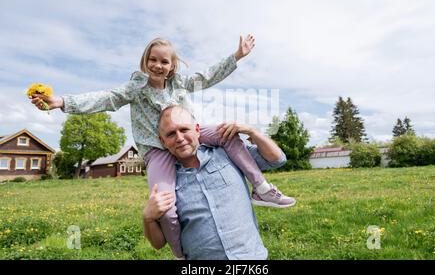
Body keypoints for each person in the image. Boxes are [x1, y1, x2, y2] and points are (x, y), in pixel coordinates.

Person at [29, 35, 295, 258]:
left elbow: (208, 76)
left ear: (172, 65)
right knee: (165, 206)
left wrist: (236, 56)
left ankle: (262, 189)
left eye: (163, 61)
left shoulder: (179, 83)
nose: (157, 65)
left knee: (229, 132)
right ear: (145, 62)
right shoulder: (136, 87)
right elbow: (106, 99)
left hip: (192, 135)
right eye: (152, 59)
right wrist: (62, 102)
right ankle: (181, 252)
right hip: (157, 150)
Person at [143, 105, 289, 259]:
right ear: (162, 141)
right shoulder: (164, 181)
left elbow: (277, 159)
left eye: (184, 130)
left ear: (197, 130)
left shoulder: (228, 152)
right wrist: (148, 218)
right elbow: (158, 244)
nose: (179, 138)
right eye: (171, 134)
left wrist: (253, 132)